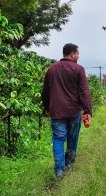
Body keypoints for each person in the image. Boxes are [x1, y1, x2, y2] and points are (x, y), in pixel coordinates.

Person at [41, 43, 92, 178]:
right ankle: (69, 167)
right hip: (74, 111)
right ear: (72, 54)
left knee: (58, 139)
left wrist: (47, 107)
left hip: (56, 112)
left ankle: (59, 170)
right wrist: (88, 111)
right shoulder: (79, 69)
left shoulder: (51, 69)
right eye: (78, 53)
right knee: (72, 139)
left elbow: (45, 91)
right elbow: (84, 91)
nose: (78, 56)